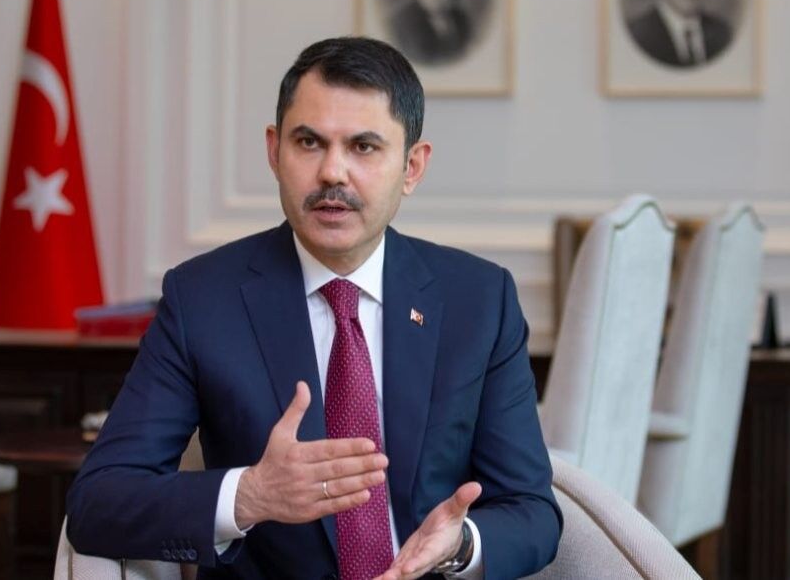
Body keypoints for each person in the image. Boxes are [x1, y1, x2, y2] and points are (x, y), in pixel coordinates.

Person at [66, 36, 561, 579]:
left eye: (364, 147)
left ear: (412, 167)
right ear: (274, 151)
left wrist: (458, 546)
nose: (332, 173)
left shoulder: (478, 301)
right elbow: (98, 501)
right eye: (309, 142)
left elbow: (532, 511)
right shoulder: (202, 299)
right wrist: (249, 496)